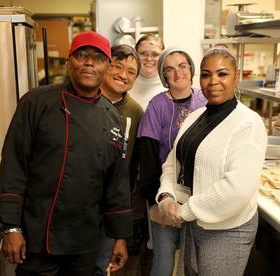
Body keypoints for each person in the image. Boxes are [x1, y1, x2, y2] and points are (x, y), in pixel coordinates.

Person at [0, 31, 133, 276]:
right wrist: (11, 228)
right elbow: (14, 165)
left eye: (97, 58)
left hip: (85, 242)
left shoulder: (113, 118)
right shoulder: (36, 102)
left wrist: (120, 236)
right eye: (82, 56)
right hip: (37, 236)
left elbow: (116, 182)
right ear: (69, 62)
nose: (89, 62)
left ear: (107, 67)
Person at [156, 45, 267, 276]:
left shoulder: (248, 123)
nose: (213, 81)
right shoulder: (195, 116)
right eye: (206, 74)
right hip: (192, 222)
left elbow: (236, 189)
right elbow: (172, 163)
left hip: (227, 230)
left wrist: (184, 212)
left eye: (222, 73)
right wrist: (166, 197)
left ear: (236, 77)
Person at [137, 48, 207, 276]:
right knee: (164, 263)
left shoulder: (205, 100)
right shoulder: (156, 106)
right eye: (170, 69)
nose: (178, 73)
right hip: (165, 195)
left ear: (191, 69)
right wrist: (153, 204)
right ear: (163, 75)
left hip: (200, 196)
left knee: (194, 263)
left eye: (182, 66)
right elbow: (147, 158)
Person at [94, 44, 143, 275]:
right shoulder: (84, 100)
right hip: (78, 208)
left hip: (112, 206)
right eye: (117, 66)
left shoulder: (135, 111)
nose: (123, 75)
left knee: (102, 266)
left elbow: (132, 168)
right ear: (105, 66)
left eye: (131, 71)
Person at [129, 34, 165, 110]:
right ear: (135, 55)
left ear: (163, 57)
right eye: (143, 54)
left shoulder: (170, 86)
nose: (149, 59)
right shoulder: (125, 82)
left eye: (155, 54)